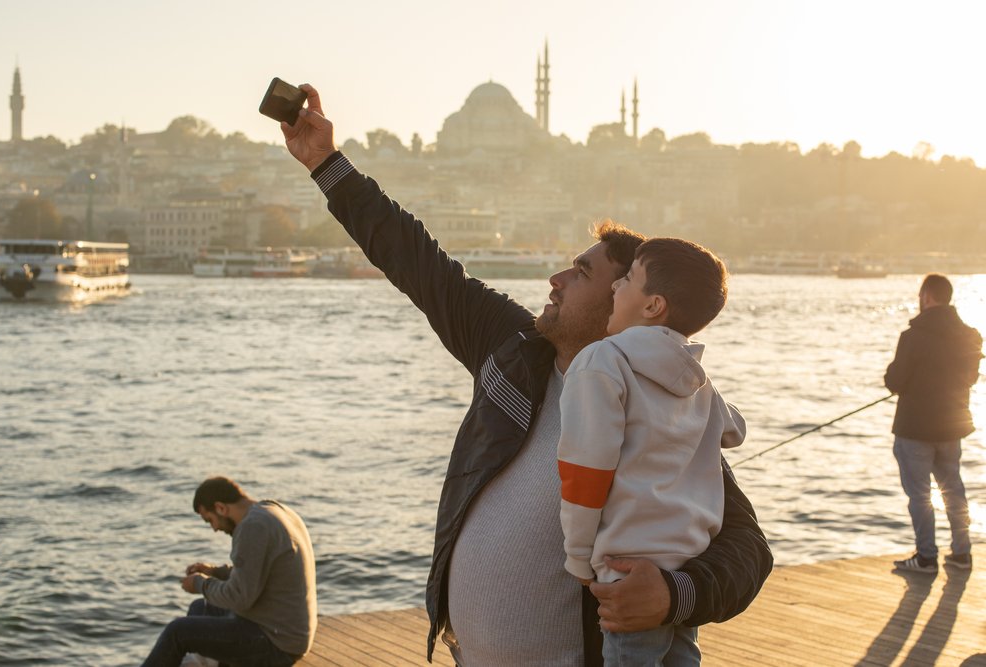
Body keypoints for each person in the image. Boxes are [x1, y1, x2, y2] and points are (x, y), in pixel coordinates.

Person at [281, 84, 772, 666]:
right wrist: (324, 164)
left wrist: (674, 595)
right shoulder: (510, 350)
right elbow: (416, 259)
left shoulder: (662, 412)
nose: (556, 278)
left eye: (580, 272)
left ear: (626, 297)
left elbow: (747, 549)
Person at [558, 237, 745, 666]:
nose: (614, 287)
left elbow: (585, 472)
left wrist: (579, 560)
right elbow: (735, 431)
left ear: (652, 305)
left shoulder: (601, 360)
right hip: (684, 564)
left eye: (627, 279)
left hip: (627, 569)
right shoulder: (697, 376)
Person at [141, 477, 317, 667]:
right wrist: (215, 572)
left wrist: (201, 583)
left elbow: (239, 597)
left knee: (177, 632)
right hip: (281, 629)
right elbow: (256, 572)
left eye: (210, 520)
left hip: (277, 644)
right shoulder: (273, 510)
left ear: (220, 508)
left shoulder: (253, 526)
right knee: (200, 608)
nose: (215, 528)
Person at [885, 273, 980, 574]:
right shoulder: (970, 336)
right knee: (954, 488)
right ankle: (962, 553)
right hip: (952, 426)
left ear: (926, 297)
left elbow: (894, 381)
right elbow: (971, 378)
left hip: (915, 429)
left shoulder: (912, 337)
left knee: (919, 494)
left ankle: (926, 557)